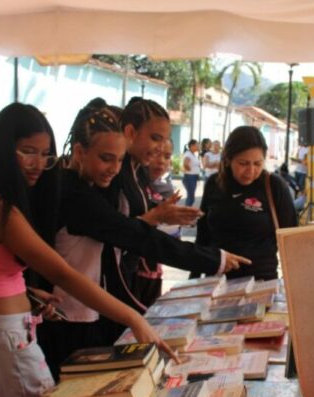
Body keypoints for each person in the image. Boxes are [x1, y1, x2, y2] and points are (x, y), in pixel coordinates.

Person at [0, 103, 165, 397]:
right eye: (27, 152)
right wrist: (133, 318)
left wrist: (27, 295)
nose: (38, 164)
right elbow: (63, 273)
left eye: (45, 154)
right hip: (4, 342)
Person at [39, 101, 249, 379]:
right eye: (106, 158)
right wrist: (212, 259)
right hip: (68, 316)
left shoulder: (95, 184)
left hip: (92, 309)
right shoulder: (76, 194)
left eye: (119, 160)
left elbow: (128, 235)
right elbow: (133, 235)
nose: (114, 169)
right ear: (79, 152)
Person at [107, 98, 203, 315]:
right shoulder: (118, 175)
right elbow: (117, 232)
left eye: (165, 143)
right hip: (116, 284)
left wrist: (162, 216)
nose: (159, 150)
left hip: (131, 276)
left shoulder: (137, 172)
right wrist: (156, 216)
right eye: (155, 139)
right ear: (130, 132)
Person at [195, 126, 298, 280]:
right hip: (216, 280)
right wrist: (194, 278)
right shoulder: (214, 184)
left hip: (261, 280)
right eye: (243, 163)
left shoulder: (274, 185)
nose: (250, 171)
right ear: (228, 160)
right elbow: (203, 235)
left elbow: (291, 239)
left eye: (257, 164)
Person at [182, 139, 202, 206]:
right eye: (197, 145)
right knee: (191, 197)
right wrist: (191, 171)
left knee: (191, 196)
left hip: (193, 177)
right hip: (190, 177)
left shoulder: (192, 154)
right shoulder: (188, 154)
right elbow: (185, 164)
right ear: (192, 146)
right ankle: (186, 210)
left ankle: (187, 209)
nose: (198, 146)